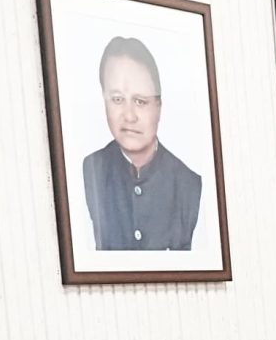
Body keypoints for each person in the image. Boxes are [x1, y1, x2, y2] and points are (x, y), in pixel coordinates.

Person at [80, 36, 201, 251]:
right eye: (117, 99)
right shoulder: (89, 171)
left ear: (158, 107)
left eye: (140, 101)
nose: (129, 116)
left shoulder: (188, 184)